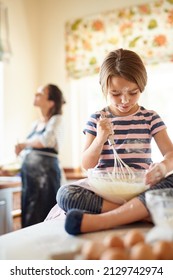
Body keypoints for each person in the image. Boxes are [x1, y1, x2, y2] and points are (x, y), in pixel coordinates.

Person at [56, 48, 173, 235]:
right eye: (116, 93)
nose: (125, 100)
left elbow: (170, 153)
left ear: (142, 86)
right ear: (104, 88)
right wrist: (100, 138)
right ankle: (138, 215)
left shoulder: (150, 117)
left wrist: (163, 167)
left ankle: (110, 218)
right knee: (66, 194)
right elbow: (87, 164)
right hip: (104, 192)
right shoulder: (97, 119)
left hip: (141, 189)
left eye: (133, 92)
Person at [15, 84, 66, 227]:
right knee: (29, 212)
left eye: (40, 93)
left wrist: (24, 144)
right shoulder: (35, 124)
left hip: (46, 175)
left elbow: (46, 140)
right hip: (30, 177)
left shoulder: (57, 119)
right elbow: (32, 147)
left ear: (51, 102)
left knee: (44, 213)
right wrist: (21, 151)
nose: (35, 94)